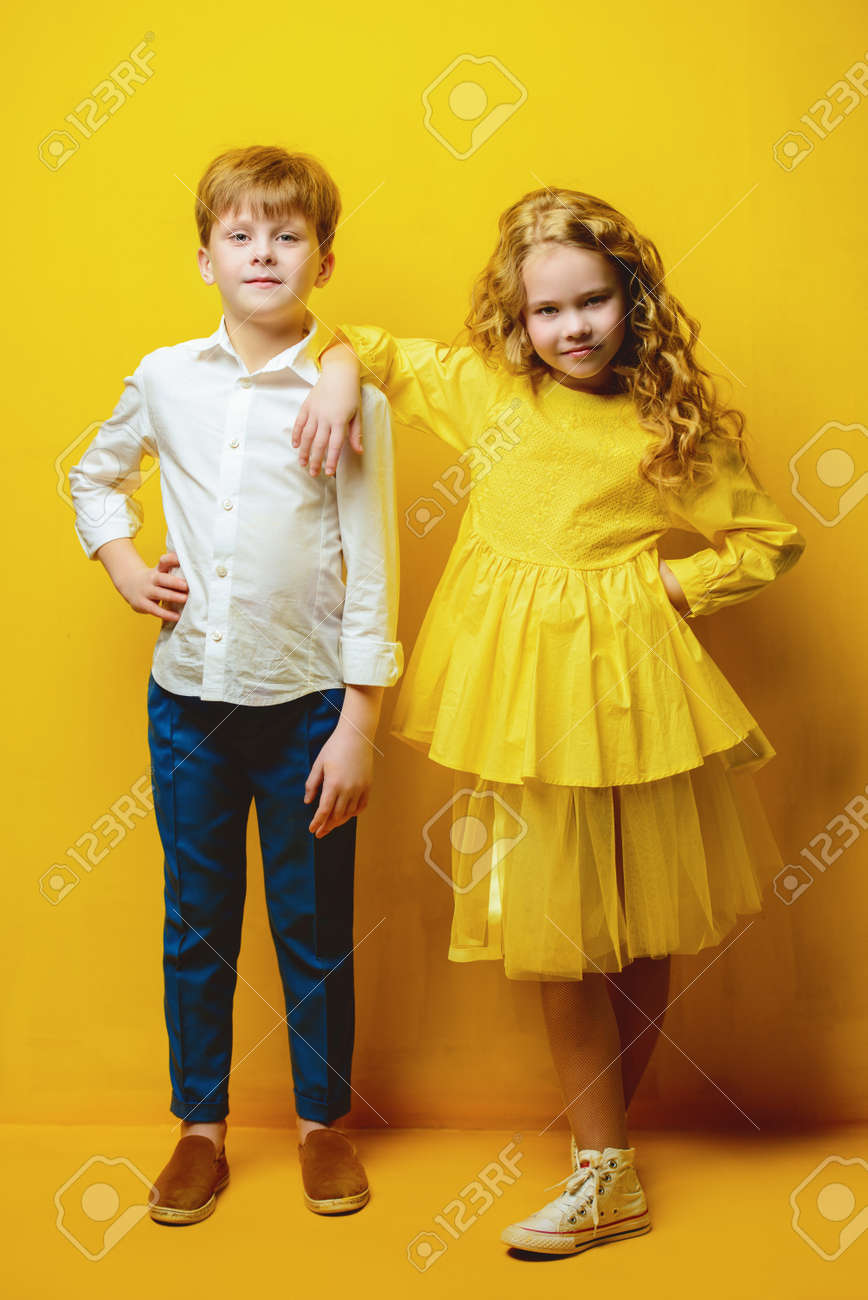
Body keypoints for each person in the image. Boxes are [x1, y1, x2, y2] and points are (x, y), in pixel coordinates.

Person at [290, 186, 806, 1256]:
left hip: (629, 691)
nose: (572, 329)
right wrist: (339, 381)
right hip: (527, 707)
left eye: (594, 302)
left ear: (633, 299)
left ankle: (604, 1159)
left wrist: (668, 592)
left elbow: (765, 541)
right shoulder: (487, 390)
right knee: (556, 934)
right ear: (514, 319)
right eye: (547, 311)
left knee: (641, 922)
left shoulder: (665, 425)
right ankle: (602, 1158)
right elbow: (353, 340)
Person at [68, 145, 403, 1225]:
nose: (264, 251)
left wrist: (358, 720)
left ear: (325, 257)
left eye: (288, 234)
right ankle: (199, 1129)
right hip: (191, 705)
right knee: (198, 918)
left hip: (308, 707)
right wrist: (123, 561)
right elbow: (93, 473)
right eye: (241, 235)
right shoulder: (167, 377)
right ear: (205, 256)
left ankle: (322, 1122)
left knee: (312, 922)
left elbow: (375, 563)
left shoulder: (352, 396)